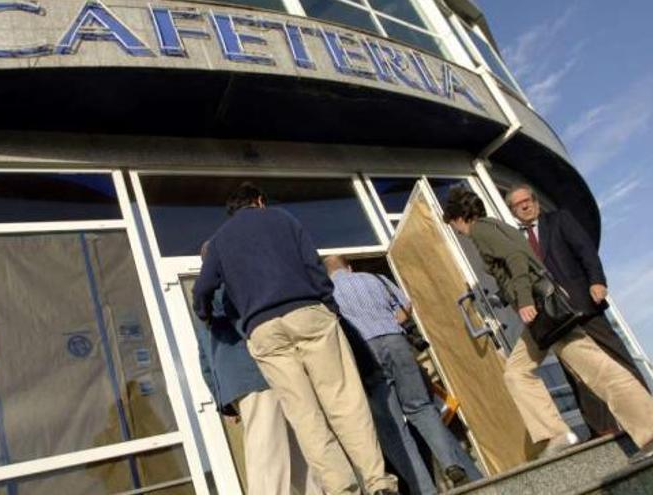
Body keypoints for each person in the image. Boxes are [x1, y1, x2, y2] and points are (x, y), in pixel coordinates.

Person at [442, 187, 653, 464]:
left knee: (596, 370)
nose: (457, 231)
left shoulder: (481, 231)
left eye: (454, 224)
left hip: (543, 312)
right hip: (545, 312)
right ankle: (557, 435)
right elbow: (520, 258)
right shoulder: (497, 225)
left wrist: (526, 300)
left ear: (460, 217)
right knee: (518, 373)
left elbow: (517, 260)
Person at [193, 182, 399, 495]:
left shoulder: (220, 241)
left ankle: (342, 490)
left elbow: (203, 289)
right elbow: (313, 265)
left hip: (263, 331)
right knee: (344, 400)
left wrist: (205, 313)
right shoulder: (282, 218)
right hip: (308, 313)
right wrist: (327, 304)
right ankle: (379, 484)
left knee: (305, 416)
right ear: (260, 201)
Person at [324, 255, 482, 491]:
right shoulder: (375, 278)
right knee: (421, 408)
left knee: (394, 428)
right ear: (349, 267)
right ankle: (451, 464)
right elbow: (404, 309)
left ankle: (424, 489)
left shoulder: (327, 295)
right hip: (396, 342)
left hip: (366, 353)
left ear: (327, 274)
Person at [505, 184, 652, 437]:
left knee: (614, 356)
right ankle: (602, 429)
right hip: (556, 316)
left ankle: (647, 411)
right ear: (513, 210)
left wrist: (597, 281)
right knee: (578, 371)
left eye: (528, 200)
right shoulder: (518, 242)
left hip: (585, 303)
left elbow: (586, 251)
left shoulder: (560, 219)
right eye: (519, 204)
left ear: (536, 201)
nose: (525, 206)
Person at [196, 243, 321, 495]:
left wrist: (223, 401)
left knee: (295, 456)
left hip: (248, 382)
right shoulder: (226, 287)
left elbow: (205, 360)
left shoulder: (205, 303)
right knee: (268, 456)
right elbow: (252, 326)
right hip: (257, 376)